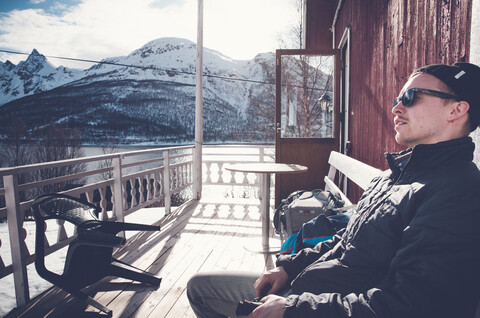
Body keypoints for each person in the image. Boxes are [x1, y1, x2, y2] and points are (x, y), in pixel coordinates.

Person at [187, 62, 480, 318]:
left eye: (411, 97)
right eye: (397, 98)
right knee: (200, 285)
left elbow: (411, 306)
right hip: (311, 290)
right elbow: (349, 238)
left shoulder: (457, 193)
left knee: (203, 291)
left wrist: (294, 310)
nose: (396, 107)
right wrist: (289, 268)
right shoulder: (394, 175)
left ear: (456, 109)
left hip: (325, 307)